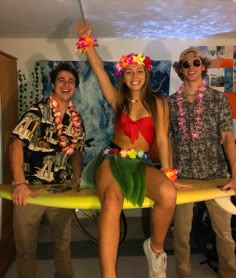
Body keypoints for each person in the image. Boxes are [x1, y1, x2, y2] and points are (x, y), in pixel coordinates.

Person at [74, 19, 184, 278]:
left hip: (141, 163)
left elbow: (162, 140)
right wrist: (88, 42)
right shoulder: (117, 99)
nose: (134, 76)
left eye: (139, 71)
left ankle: (155, 249)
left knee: (168, 195)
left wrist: (168, 173)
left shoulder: (158, 102)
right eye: (129, 72)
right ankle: (109, 275)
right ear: (123, 76)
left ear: (146, 75)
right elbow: (99, 68)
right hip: (112, 160)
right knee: (112, 201)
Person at [9, 62, 86, 278]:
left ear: (75, 87)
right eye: (61, 80)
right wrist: (20, 183)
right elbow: (16, 144)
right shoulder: (37, 111)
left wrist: (77, 178)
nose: (66, 84)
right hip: (31, 190)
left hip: (62, 191)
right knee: (25, 247)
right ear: (53, 84)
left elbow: (77, 151)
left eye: (71, 81)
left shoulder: (76, 119)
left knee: (63, 243)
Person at [168, 47, 236, 278]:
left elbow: (228, 138)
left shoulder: (218, 99)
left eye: (196, 62)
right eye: (185, 64)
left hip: (215, 176)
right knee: (181, 234)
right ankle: (183, 274)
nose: (191, 67)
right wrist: (169, 174)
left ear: (203, 66)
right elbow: (167, 139)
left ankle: (229, 273)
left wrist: (235, 174)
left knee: (224, 233)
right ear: (180, 69)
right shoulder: (170, 103)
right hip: (183, 177)